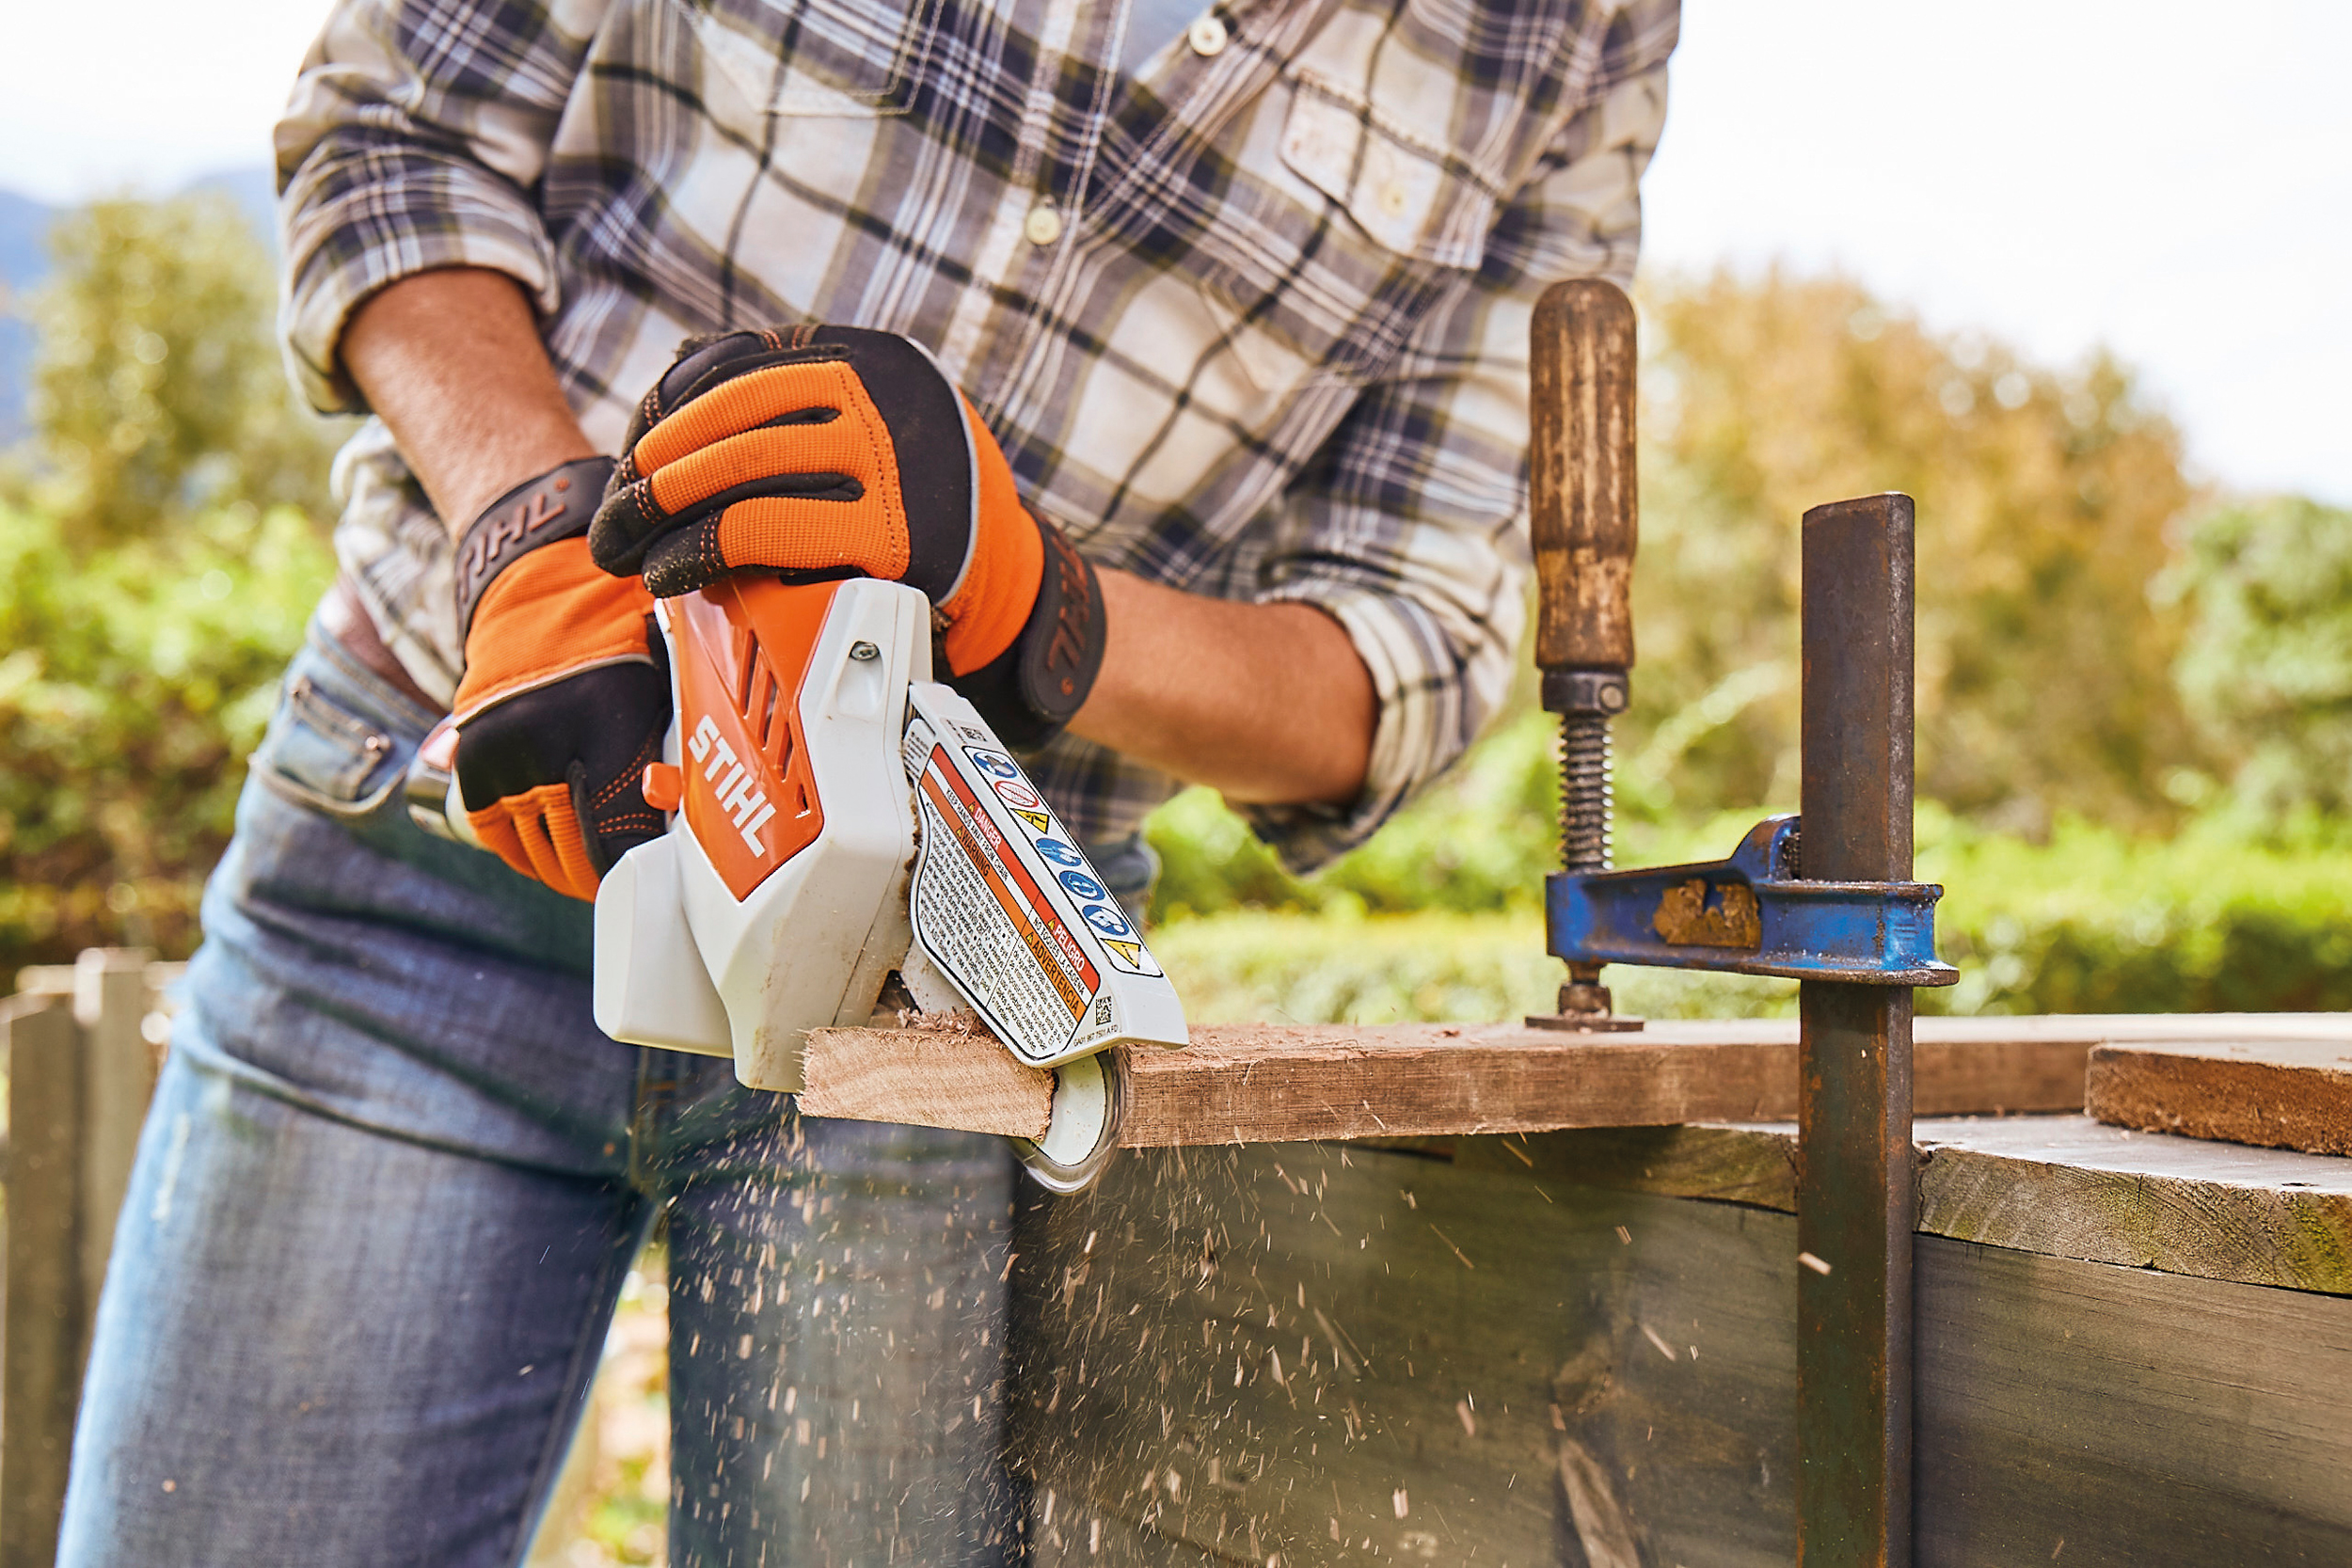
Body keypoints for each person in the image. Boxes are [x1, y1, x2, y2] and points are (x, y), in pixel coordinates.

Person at [56, 0, 1677, 1561]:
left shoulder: (1577, 24)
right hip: (447, 879)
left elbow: (1404, 657)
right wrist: (528, 543)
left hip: (945, 995)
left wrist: (1040, 600)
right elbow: (395, 126)